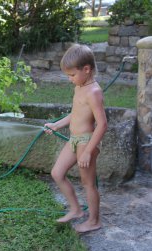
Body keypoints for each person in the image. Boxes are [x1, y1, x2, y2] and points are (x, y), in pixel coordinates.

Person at [44, 44, 107, 233]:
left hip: (86, 142)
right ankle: (76, 210)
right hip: (74, 139)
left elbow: (103, 125)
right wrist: (56, 125)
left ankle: (94, 220)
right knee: (57, 173)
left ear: (86, 69)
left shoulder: (94, 92)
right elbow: (76, 114)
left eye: (72, 75)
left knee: (88, 183)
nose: (70, 79)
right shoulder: (80, 87)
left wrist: (88, 151)